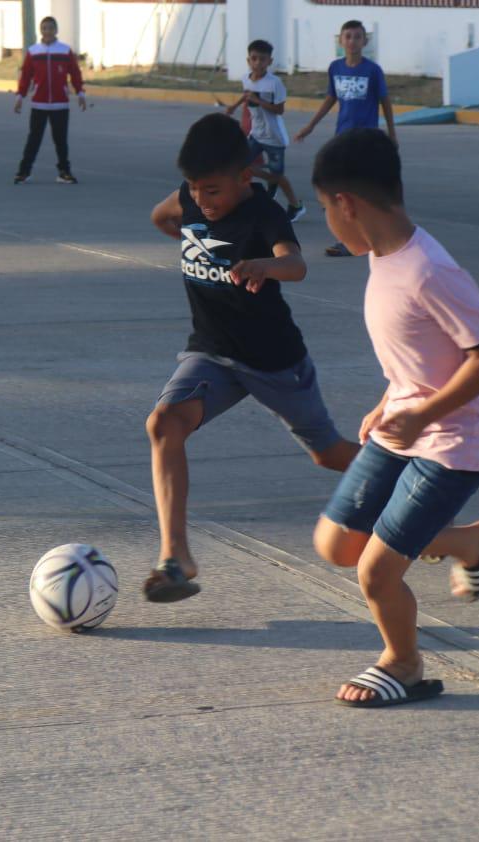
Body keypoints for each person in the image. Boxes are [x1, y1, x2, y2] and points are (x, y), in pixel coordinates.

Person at [311, 128, 479, 708]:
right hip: (404, 422)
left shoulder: (429, 270)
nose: (327, 219)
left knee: (375, 572)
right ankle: (473, 542)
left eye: (326, 208)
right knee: (337, 543)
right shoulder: (383, 258)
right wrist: (390, 399)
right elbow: (421, 354)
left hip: (454, 441)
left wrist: (424, 409)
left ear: (346, 204)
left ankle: (403, 663)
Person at [143, 113, 360, 603]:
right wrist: (191, 236)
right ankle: (176, 557)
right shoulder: (189, 199)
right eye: (195, 189)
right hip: (212, 353)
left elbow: (297, 264)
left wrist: (267, 264)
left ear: (246, 177)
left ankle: (407, 478)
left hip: (274, 360)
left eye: (213, 191)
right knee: (164, 424)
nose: (202, 200)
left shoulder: (264, 213)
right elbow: (163, 217)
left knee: (327, 453)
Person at [294, 19, 397, 257]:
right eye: (348, 36)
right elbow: (331, 98)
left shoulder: (372, 70)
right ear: (340, 40)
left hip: (366, 139)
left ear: (365, 41)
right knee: (340, 186)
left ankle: (366, 236)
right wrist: (310, 126)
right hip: (343, 138)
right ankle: (351, 238)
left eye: (357, 36)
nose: (352, 41)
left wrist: (392, 133)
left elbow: (385, 101)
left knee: (361, 188)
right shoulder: (335, 68)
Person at [223, 39, 306, 223]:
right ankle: (252, 197)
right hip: (256, 134)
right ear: (248, 60)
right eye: (254, 58)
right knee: (239, 165)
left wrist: (259, 101)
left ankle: (295, 205)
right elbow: (247, 96)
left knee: (277, 176)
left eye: (262, 59)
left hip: (275, 138)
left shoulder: (274, 83)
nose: (258, 63)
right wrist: (233, 107)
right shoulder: (246, 78)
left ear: (270, 61)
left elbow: (279, 110)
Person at [13, 16, 86, 184]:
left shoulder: (65, 51)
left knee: (61, 140)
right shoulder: (33, 51)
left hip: (60, 104)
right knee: (34, 139)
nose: (47, 31)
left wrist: (80, 93)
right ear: (41, 30)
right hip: (39, 103)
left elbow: (75, 73)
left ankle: (64, 172)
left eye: (50, 28)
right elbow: (25, 76)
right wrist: (20, 96)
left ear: (56, 30)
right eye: (44, 28)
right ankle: (24, 172)